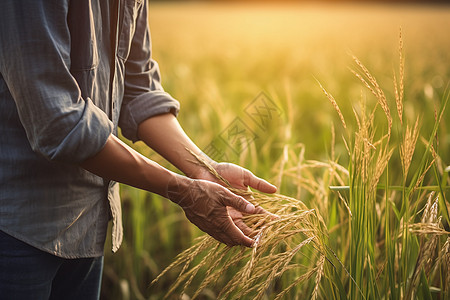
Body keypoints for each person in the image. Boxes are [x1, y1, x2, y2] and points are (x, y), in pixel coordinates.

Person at [0, 0, 277, 299]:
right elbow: (58, 122)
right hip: (17, 232)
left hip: (87, 228)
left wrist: (204, 169)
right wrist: (183, 190)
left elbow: (137, 88)